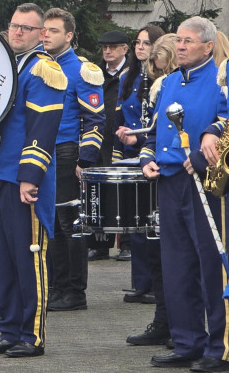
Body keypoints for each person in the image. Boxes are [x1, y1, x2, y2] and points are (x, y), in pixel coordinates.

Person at [0, 3, 65, 358]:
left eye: (26, 28)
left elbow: (43, 130)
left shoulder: (44, 70)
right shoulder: (1, 67)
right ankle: (8, 328)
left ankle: (31, 335)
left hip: (21, 179)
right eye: (13, 26)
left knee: (27, 258)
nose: (17, 32)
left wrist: (29, 177)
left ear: (42, 34)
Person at [141, 16, 229, 371]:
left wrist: (209, 136)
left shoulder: (222, 78)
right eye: (178, 40)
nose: (180, 46)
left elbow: (226, 121)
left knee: (212, 265)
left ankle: (219, 347)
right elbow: (154, 130)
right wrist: (147, 156)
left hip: (208, 180)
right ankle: (186, 341)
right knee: (176, 265)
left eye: (189, 42)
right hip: (171, 179)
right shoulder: (167, 83)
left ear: (208, 46)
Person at [39, 8, 105, 313]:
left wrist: (86, 159)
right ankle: (56, 288)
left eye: (53, 30)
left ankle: (74, 291)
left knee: (70, 224)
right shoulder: (38, 66)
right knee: (49, 224)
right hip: (41, 153)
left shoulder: (81, 70)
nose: (45, 35)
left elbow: (95, 119)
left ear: (68, 36)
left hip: (66, 152)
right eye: (44, 30)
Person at [124, 32, 176, 348]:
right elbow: (153, 132)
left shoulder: (169, 86)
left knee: (174, 255)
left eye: (160, 66)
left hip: (180, 175)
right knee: (156, 251)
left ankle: (180, 325)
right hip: (156, 170)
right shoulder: (161, 86)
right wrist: (144, 151)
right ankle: (164, 321)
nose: (156, 73)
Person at [114, 25, 165, 307]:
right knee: (135, 224)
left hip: (151, 154)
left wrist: (140, 136)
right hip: (131, 153)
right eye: (138, 42)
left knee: (151, 224)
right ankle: (140, 283)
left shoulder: (161, 80)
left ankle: (152, 285)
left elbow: (158, 125)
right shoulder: (130, 78)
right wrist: (122, 138)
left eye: (147, 43)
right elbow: (120, 115)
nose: (140, 47)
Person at [87, 29, 132, 261]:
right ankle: (99, 243)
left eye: (113, 47)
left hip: (122, 139)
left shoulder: (132, 74)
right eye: (104, 47)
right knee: (97, 192)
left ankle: (126, 243)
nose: (107, 51)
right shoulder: (95, 73)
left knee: (124, 192)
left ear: (125, 49)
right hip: (98, 139)